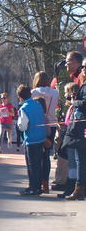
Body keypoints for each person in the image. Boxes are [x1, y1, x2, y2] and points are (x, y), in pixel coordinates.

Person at [61, 63, 86, 200]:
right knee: (80, 159)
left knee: (80, 159)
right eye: (82, 67)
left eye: (85, 67)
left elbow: (84, 103)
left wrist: (73, 102)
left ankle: (79, 189)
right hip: (81, 126)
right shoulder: (83, 84)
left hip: (82, 127)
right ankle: (79, 188)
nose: (83, 69)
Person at [31, 71, 59, 193]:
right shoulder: (55, 92)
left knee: (36, 155)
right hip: (51, 124)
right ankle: (45, 184)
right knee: (46, 155)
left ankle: (36, 182)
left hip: (37, 124)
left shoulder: (33, 92)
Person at [16, 85, 47, 196]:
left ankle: (33, 188)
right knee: (38, 164)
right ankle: (38, 186)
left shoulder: (24, 108)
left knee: (32, 165)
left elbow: (22, 126)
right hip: (41, 137)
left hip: (31, 139)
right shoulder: (37, 104)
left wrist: (18, 124)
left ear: (19, 97)